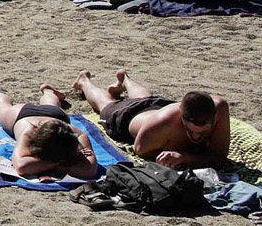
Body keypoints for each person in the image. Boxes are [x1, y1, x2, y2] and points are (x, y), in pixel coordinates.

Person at [74, 70, 229, 170]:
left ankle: (125, 79)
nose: (196, 138)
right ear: (181, 115)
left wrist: (184, 156)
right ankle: (84, 81)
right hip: (129, 117)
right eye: (190, 131)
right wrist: (182, 155)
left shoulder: (219, 108)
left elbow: (219, 156)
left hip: (158, 106)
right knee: (106, 105)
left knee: (146, 98)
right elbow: (140, 149)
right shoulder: (160, 125)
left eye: (203, 133)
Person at [0, 84, 99, 181]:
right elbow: (21, 166)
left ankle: (49, 92)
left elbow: (90, 170)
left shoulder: (74, 134)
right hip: (22, 116)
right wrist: (62, 162)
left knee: (52, 107)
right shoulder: (28, 133)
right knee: (2, 105)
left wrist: (53, 163)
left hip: (56, 118)